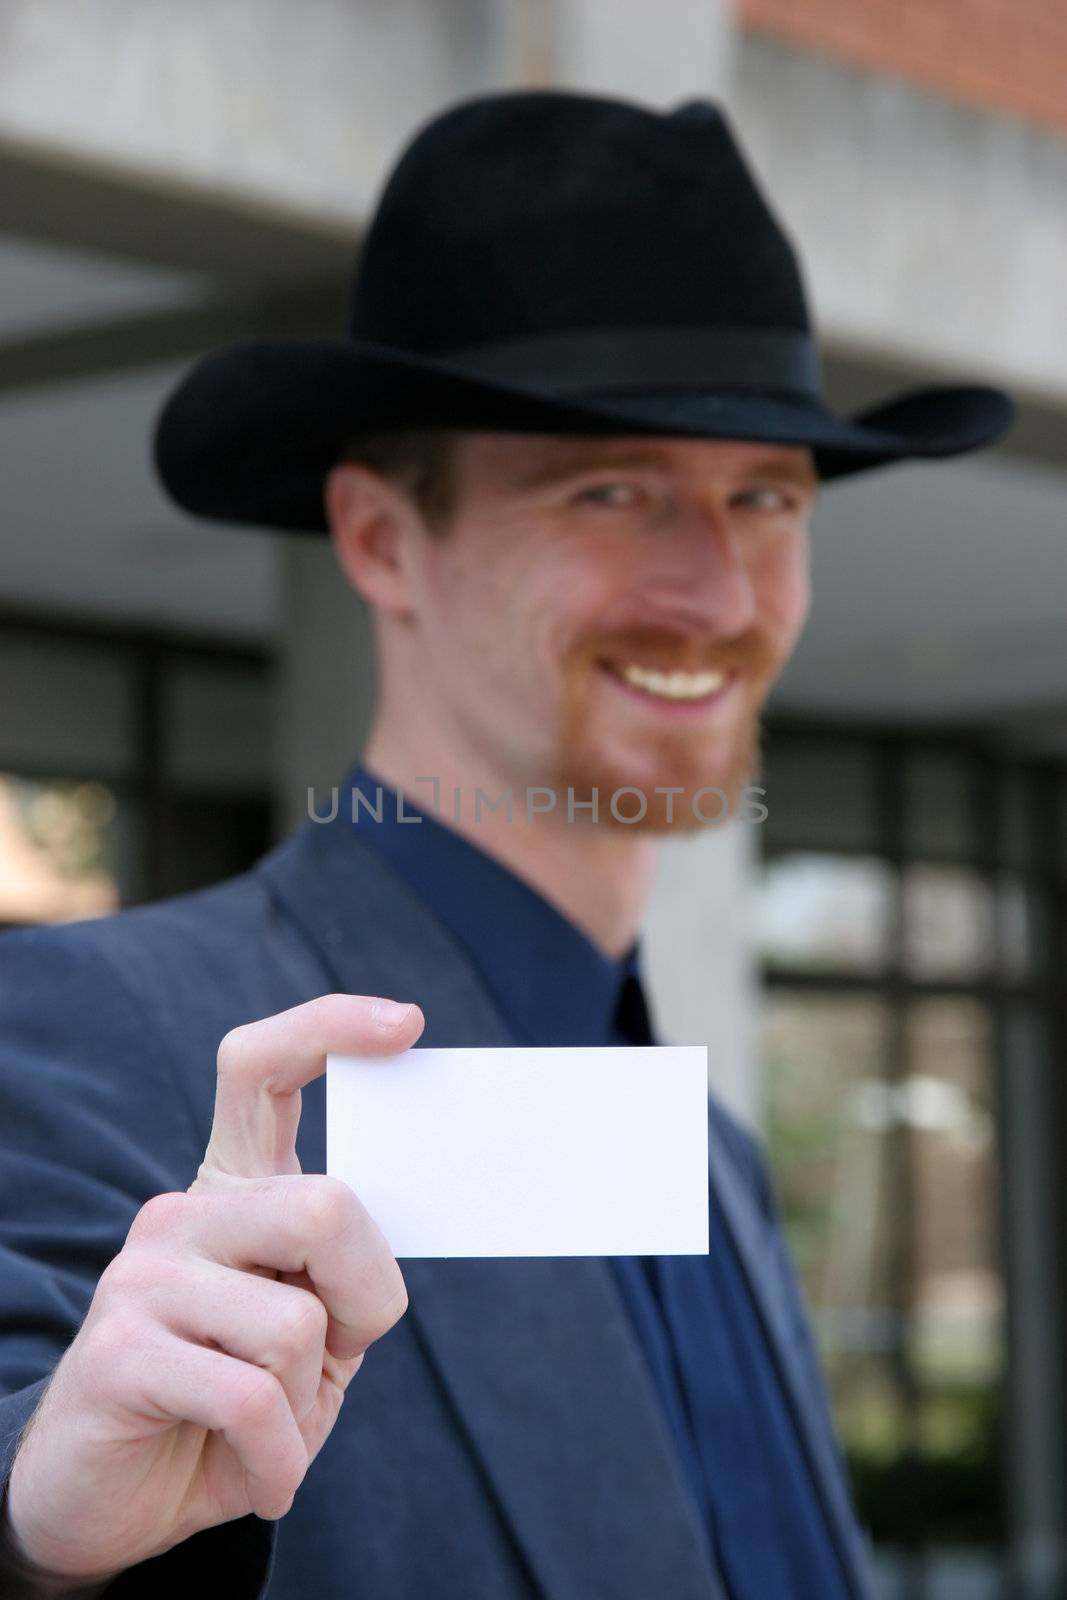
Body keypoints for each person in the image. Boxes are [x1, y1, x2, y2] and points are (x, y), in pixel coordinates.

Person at [0, 90, 1012, 1599]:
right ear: (380, 541)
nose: (721, 594)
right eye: (610, 491)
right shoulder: (123, 1037)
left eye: (766, 499)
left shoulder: (709, 1156)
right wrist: (39, 1546)